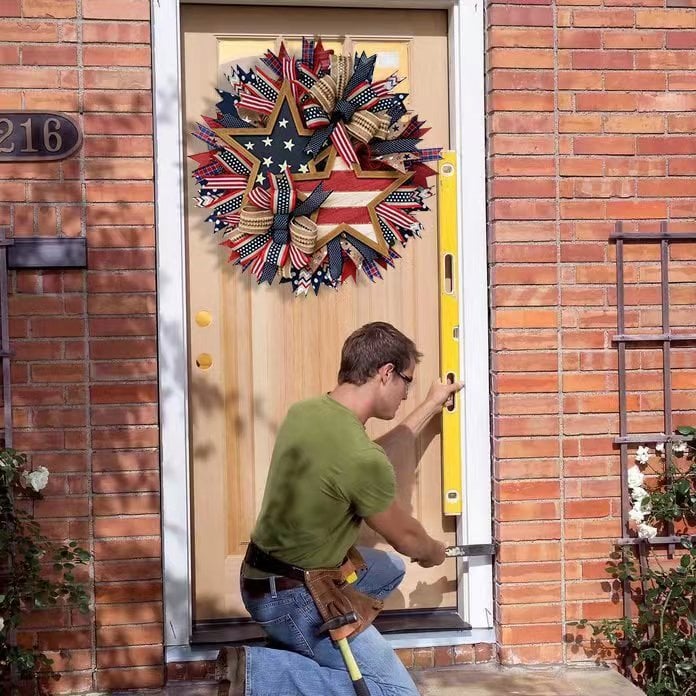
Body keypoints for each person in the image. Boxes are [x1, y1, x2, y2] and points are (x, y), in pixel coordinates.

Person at [217, 322, 464, 696]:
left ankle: (305, 650)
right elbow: (408, 540)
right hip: (293, 597)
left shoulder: (309, 412)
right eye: (407, 383)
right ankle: (258, 674)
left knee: (387, 570)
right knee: (397, 693)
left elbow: (371, 456)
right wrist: (435, 552)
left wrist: (432, 403)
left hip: (258, 576)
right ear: (386, 373)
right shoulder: (359, 458)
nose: (406, 395)